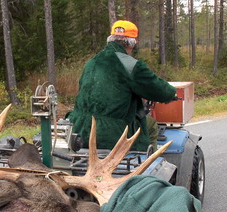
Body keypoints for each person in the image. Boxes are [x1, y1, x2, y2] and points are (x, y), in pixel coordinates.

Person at [68, 20, 176, 152]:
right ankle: (149, 162)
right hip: (111, 136)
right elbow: (160, 90)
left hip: (79, 131)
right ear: (132, 43)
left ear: (111, 39)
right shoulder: (130, 64)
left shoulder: (92, 62)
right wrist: (172, 94)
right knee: (152, 126)